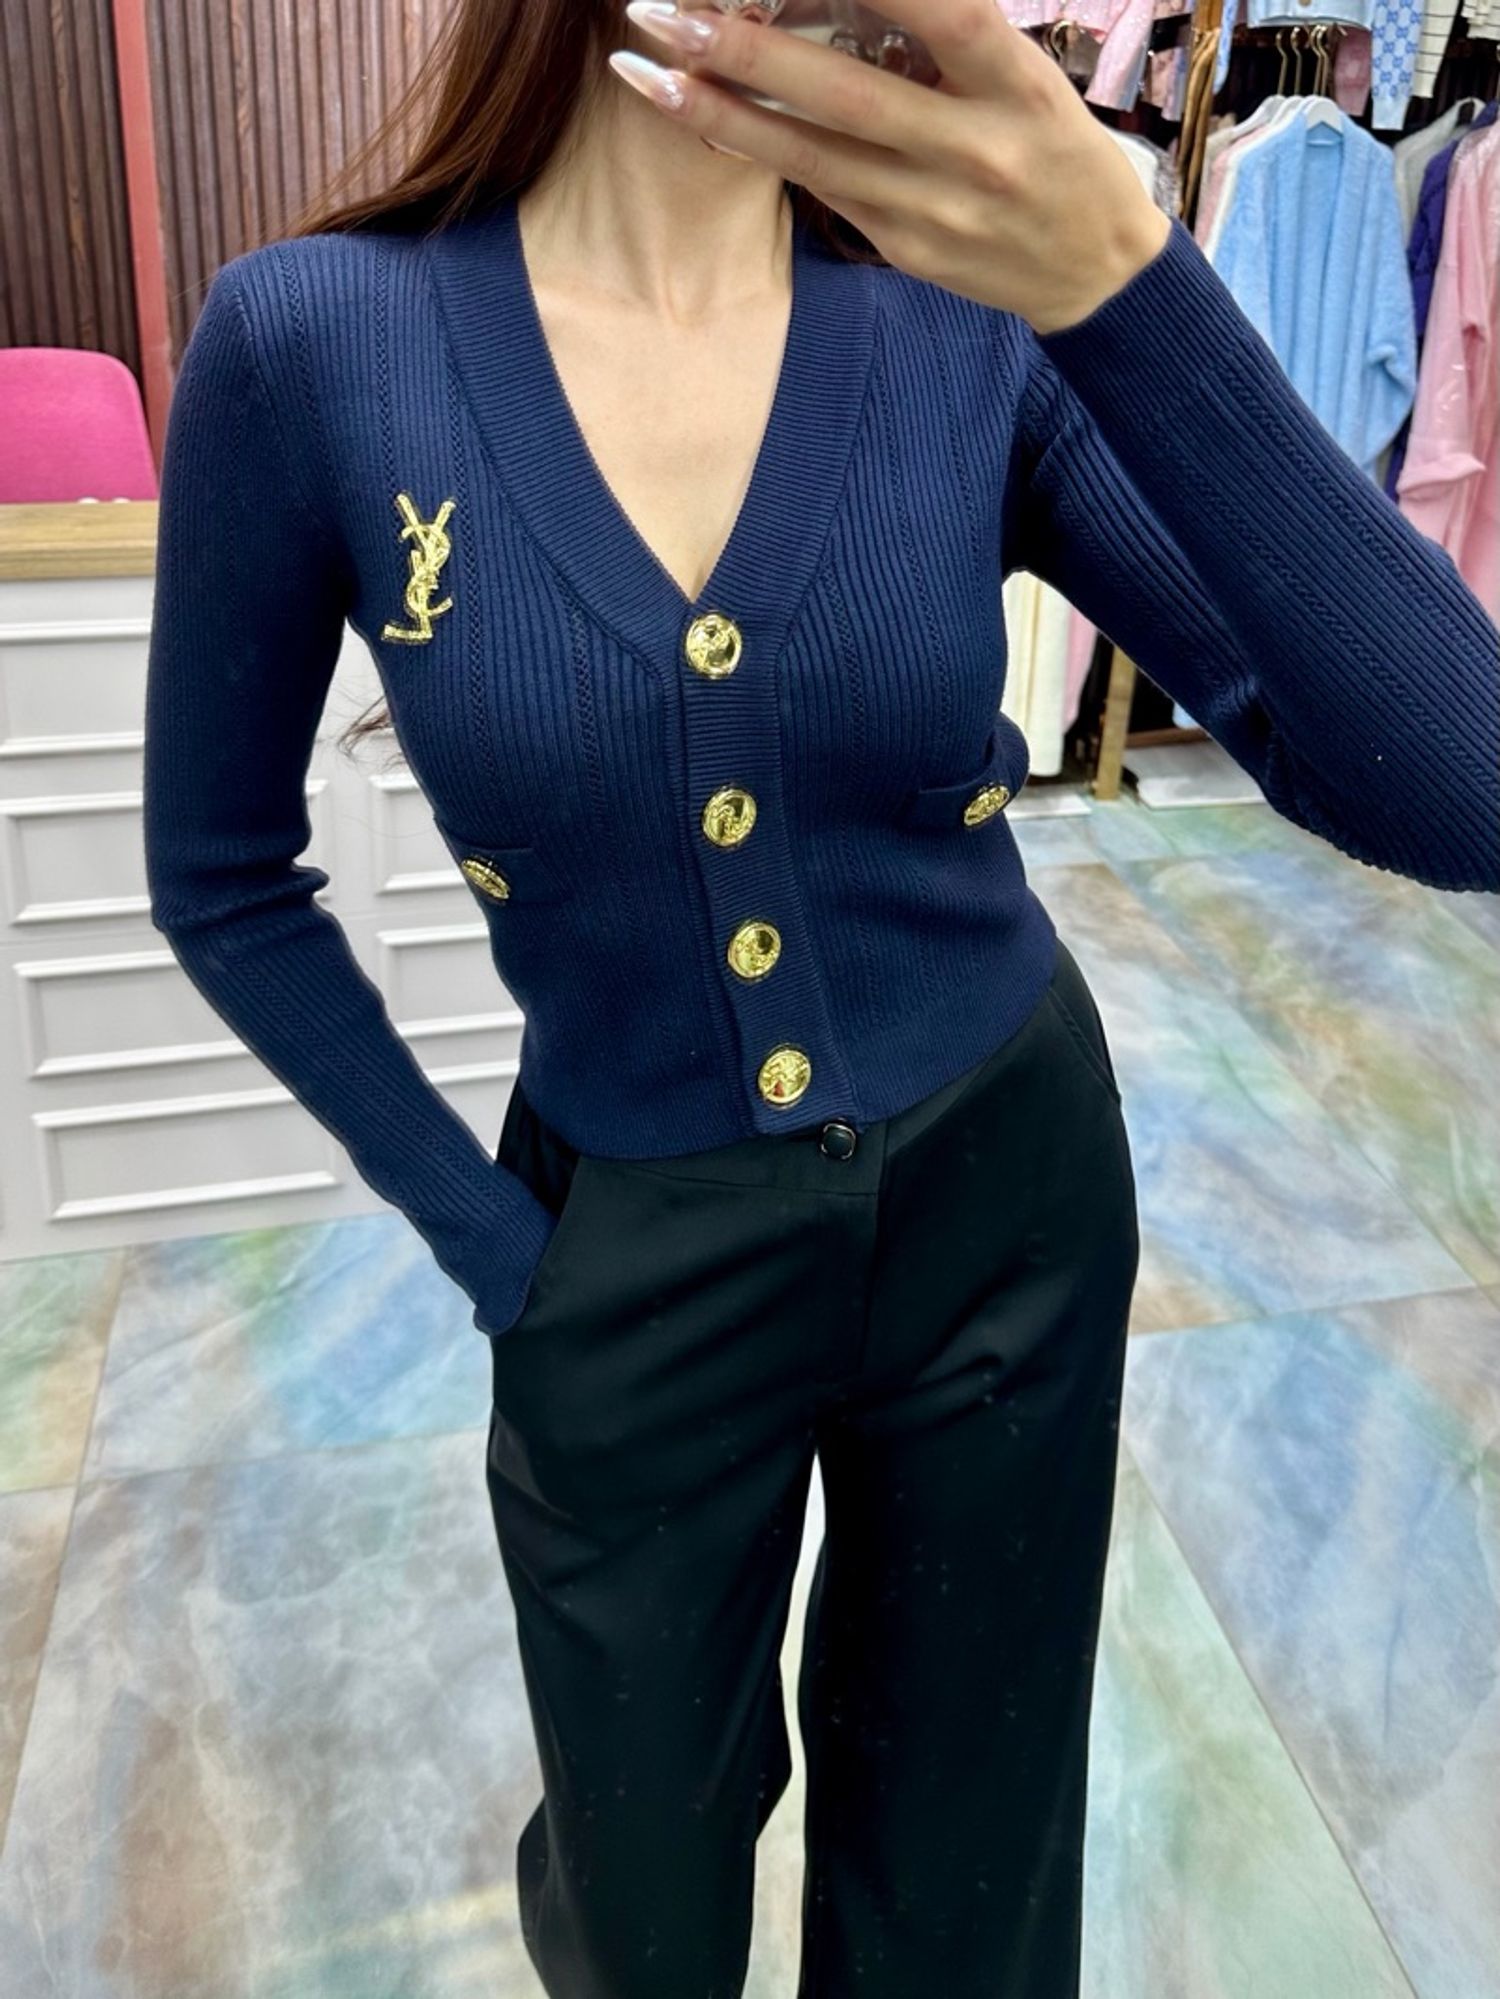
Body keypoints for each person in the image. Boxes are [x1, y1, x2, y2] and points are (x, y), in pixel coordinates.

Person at [140, 2, 1500, 1994]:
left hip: (1008, 1214)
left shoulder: (969, 317)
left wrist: (1131, 283)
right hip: (625, 1259)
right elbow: (221, 877)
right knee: (642, 1898)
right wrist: (496, 1245)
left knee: (965, 1881)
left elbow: (1462, 784)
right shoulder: (315, 340)